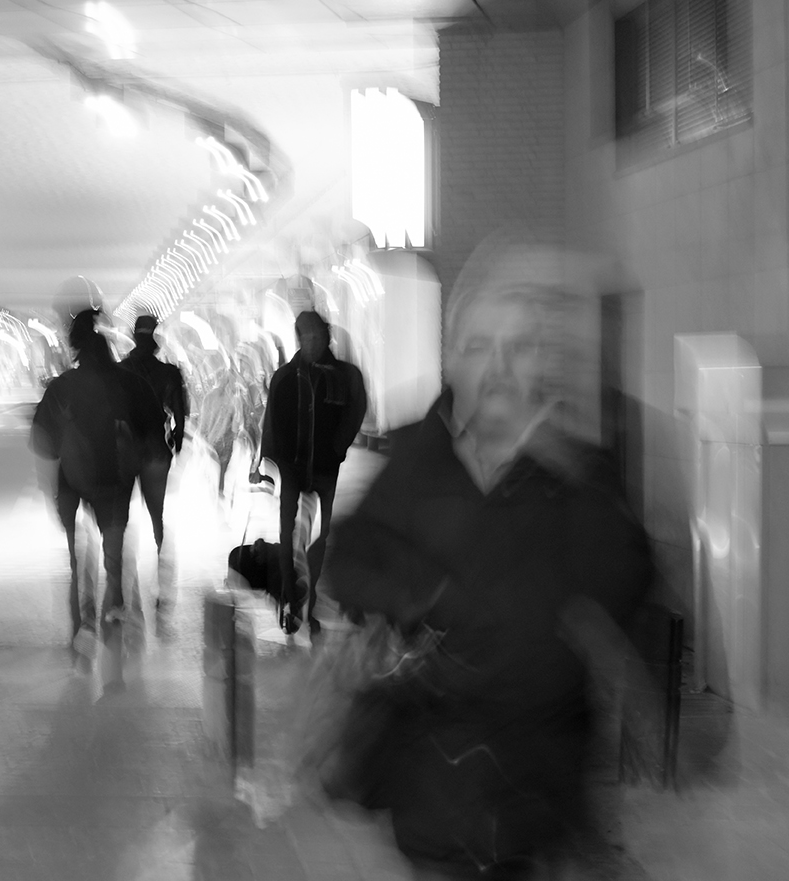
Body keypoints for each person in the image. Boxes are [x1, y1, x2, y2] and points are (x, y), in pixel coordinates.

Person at [321, 240, 653, 879]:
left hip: (532, 783)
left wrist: (567, 469)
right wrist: (424, 596)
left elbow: (626, 582)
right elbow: (346, 559)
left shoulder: (579, 472)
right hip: (432, 774)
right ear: (453, 359)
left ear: (541, 365)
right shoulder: (419, 454)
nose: (497, 367)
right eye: (478, 347)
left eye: (519, 347)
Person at [30, 308, 164, 653]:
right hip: (115, 486)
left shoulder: (63, 388)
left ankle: (81, 629)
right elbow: (153, 435)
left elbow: (41, 439)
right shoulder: (130, 384)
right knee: (114, 557)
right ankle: (114, 628)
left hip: (73, 484)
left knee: (78, 563)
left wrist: (52, 492)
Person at [258, 310, 366, 634]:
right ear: (299, 339)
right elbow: (271, 422)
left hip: (323, 469)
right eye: (306, 337)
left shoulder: (344, 375)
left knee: (321, 534)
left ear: (326, 337)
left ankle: (310, 592)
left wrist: (338, 447)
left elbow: (356, 410)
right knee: (287, 532)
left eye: (317, 336)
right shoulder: (285, 377)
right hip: (290, 469)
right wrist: (264, 463)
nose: (313, 343)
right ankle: (290, 597)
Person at [118, 314, 189, 614]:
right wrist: (176, 441)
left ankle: (121, 585)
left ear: (135, 338)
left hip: (124, 452)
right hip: (156, 453)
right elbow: (180, 417)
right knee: (156, 516)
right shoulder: (169, 373)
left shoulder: (121, 371)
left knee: (119, 517)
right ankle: (162, 581)